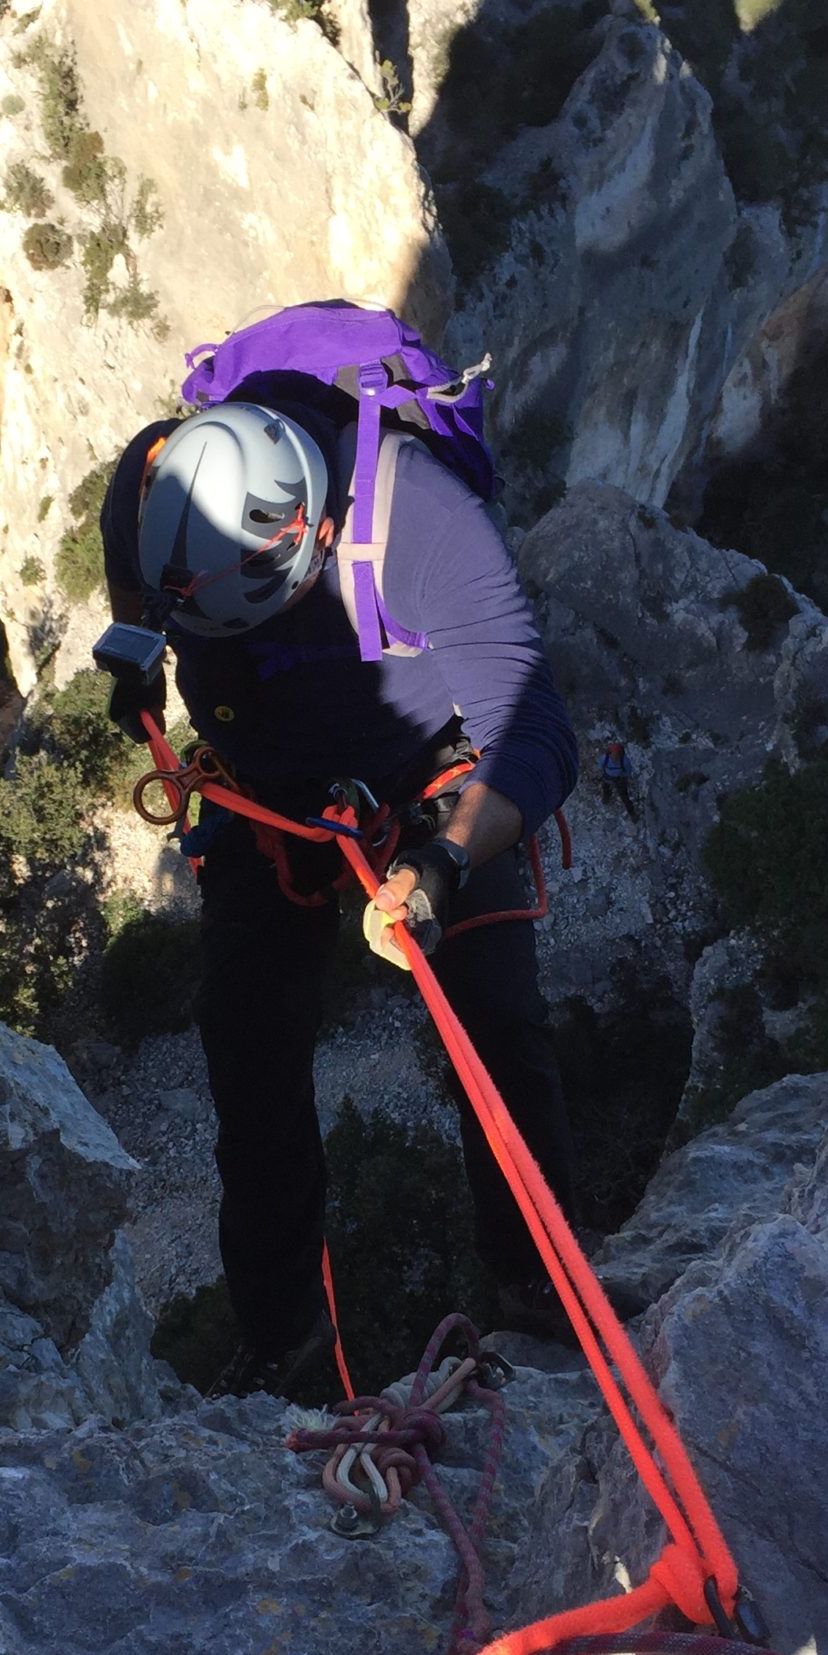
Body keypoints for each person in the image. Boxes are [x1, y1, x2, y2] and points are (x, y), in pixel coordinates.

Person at [99, 370, 581, 1399]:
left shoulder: (421, 520)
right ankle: (285, 1342)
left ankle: (538, 1282)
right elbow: (129, 580)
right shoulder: (150, 492)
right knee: (249, 1053)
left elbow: (535, 730)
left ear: (317, 537)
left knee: (495, 1025)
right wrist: (134, 662)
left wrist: (447, 861)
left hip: (435, 789)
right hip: (265, 801)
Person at [599, 737, 635, 819]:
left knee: (625, 797)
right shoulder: (604, 759)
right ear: (610, 754)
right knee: (605, 788)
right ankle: (606, 797)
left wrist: (620, 778)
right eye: (613, 755)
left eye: (617, 755)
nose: (615, 758)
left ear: (620, 754)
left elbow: (627, 772)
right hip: (607, 776)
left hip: (619, 779)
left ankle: (631, 812)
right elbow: (601, 767)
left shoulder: (625, 761)